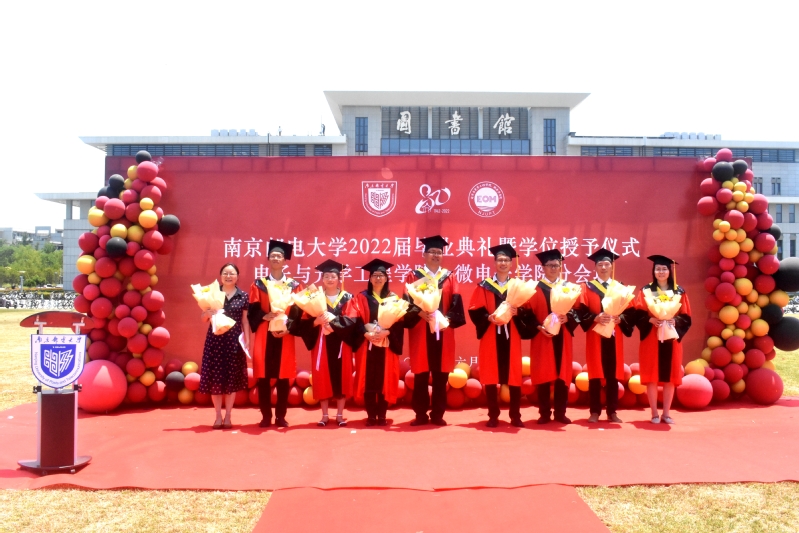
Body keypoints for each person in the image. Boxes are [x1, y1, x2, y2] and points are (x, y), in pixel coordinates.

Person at [468, 244, 537, 428]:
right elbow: (474, 309)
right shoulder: (484, 286)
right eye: (500, 260)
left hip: (511, 335)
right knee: (491, 375)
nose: (503, 263)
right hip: (491, 334)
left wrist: (517, 312)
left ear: (511, 264)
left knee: (513, 376)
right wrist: (487, 317)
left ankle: (515, 415)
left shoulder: (517, 287)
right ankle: (493, 415)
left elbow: (528, 312)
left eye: (506, 260)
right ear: (494, 263)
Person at [402, 235, 466, 426]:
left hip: (443, 331)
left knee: (441, 375)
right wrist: (420, 313)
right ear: (424, 254)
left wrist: (446, 319)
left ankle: (438, 414)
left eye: (439, 252)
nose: (436, 255)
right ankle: (420, 414)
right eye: (432, 252)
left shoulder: (449, 277)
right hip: (420, 330)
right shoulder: (414, 276)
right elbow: (406, 303)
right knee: (421, 374)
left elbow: (456, 303)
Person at [576, 249, 635, 424]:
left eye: (607, 264)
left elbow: (631, 312)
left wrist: (620, 318)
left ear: (612, 266)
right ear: (595, 267)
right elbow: (580, 312)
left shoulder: (621, 288)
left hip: (615, 337)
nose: (603, 267)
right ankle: (594, 411)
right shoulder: (586, 288)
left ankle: (612, 411)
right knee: (595, 373)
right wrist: (595, 317)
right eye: (600, 264)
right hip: (595, 336)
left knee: (612, 374)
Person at [248, 240, 303, 428]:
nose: (276, 258)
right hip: (264, 334)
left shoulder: (294, 285)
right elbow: (253, 309)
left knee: (283, 377)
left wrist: (289, 328)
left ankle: (280, 416)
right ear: (268, 259)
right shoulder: (259, 284)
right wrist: (264, 315)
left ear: (285, 260)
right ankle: (265, 416)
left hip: (285, 335)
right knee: (263, 377)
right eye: (272, 256)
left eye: (279, 256)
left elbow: (298, 312)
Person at [299, 260, 359, 427]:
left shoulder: (348, 297)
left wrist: (333, 326)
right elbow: (304, 322)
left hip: (341, 344)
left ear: (339, 278)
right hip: (321, 343)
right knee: (322, 377)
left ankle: (339, 415)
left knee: (342, 378)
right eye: (326, 276)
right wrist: (316, 322)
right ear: (322, 279)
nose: (330, 279)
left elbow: (352, 320)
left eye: (333, 276)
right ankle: (324, 415)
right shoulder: (314, 297)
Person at [634, 255, 692, 425]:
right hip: (651, 338)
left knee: (670, 376)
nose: (661, 272)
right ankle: (653, 413)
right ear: (653, 271)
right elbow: (637, 314)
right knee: (652, 375)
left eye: (664, 269)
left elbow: (686, 316)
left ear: (669, 271)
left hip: (671, 339)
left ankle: (666, 413)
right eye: (657, 269)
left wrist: (676, 321)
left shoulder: (679, 291)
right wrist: (650, 320)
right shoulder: (645, 291)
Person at [525, 249, 580, 425]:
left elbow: (578, 310)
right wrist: (538, 326)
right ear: (543, 267)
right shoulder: (534, 289)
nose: (553, 268)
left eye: (556, 265)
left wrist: (568, 317)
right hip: (542, 337)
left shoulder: (568, 288)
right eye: (550, 265)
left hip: (563, 337)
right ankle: (544, 413)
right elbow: (526, 313)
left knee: (562, 376)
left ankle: (560, 413)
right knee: (543, 374)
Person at [198, 263, 251, 429]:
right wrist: (206, 314)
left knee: (231, 380)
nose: (228, 276)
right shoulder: (212, 294)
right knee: (215, 380)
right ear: (221, 276)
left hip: (234, 341)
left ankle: (228, 416)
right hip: (215, 341)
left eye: (232, 273)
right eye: (225, 273)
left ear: (237, 276)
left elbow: (245, 320)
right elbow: (204, 319)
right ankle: (217, 416)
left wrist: (247, 339)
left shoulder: (243, 296)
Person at [352, 259, 404, 426]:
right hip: (367, 345)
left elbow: (399, 321)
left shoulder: (393, 298)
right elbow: (355, 319)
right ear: (370, 278)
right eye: (375, 275)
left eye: (381, 275)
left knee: (384, 379)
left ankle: (382, 415)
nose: (378, 278)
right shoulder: (361, 297)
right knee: (369, 379)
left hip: (386, 344)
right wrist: (366, 334)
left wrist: (387, 332)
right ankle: (370, 416)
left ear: (386, 278)